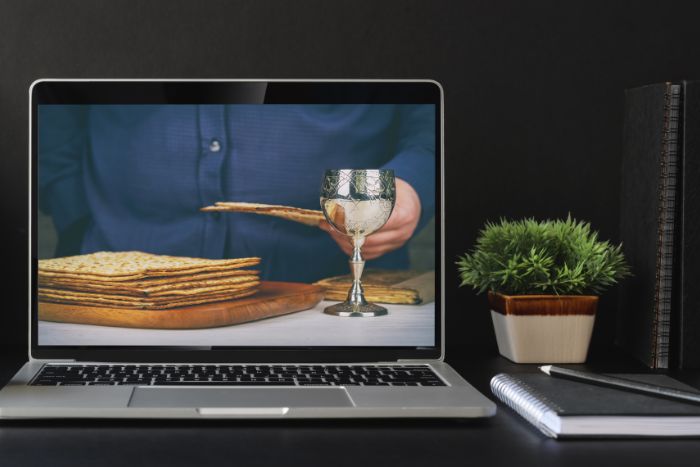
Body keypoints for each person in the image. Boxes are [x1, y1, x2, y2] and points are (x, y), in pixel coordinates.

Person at [38, 104, 435, 282]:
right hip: (113, 302)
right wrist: (74, 218)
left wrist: (413, 187)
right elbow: (51, 99)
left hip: (339, 297)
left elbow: (432, 113)